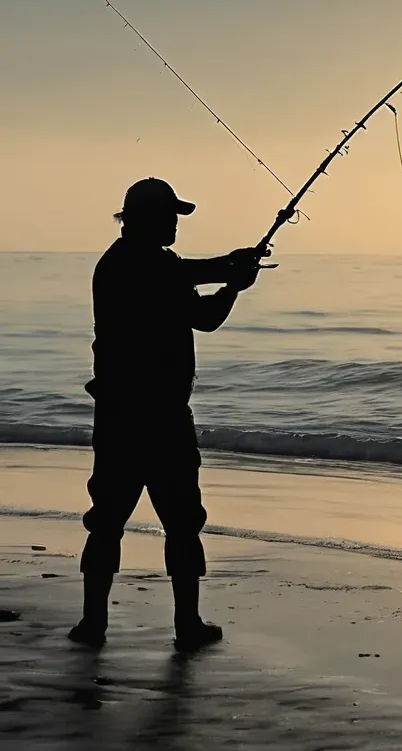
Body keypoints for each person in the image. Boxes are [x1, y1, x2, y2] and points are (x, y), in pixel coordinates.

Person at [68, 178, 263, 652]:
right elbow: (207, 316)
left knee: (108, 519)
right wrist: (234, 284)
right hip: (161, 419)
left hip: (116, 416)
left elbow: (188, 274)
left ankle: (93, 624)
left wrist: (229, 266)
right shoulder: (153, 268)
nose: (176, 222)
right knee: (180, 521)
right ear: (146, 219)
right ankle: (187, 626)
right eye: (169, 215)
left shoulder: (117, 264)